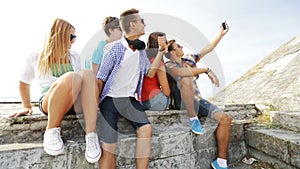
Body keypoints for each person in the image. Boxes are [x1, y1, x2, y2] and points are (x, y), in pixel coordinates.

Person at [11, 18, 101, 163]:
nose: (74, 41)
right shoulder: (37, 57)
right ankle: (52, 130)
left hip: (73, 102)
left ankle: (91, 135)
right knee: (72, 77)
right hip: (50, 100)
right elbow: (24, 82)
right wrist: (27, 106)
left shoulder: (75, 57)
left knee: (87, 74)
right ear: (60, 36)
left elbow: (84, 84)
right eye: (72, 37)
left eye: (75, 37)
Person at [96, 8, 166, 169]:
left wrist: (161, 51)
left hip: (130, 100)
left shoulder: (141, 51)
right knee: (109, 147)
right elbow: (100, 79)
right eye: (142, 21)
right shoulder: (114, 49)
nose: (145, 24)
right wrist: (95, 107)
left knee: (146, 129)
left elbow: (150, 73)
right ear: (133, 25)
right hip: (110, 100)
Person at [165, 23, 232, 169]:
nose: (182, 47)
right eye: (178, 46)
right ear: (172, 52)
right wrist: (206, 70)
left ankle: (221, 162)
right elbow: (182, 74)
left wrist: (220, 34)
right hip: (180, 101)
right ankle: (193, 118)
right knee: (186, 77)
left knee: (226, 119)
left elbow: (206, 49)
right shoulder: (169, 65)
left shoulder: (189, 60)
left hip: (197, 100)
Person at [141, 32, 170, 111]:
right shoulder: (159, 64)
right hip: (155, 101)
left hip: (141, 102)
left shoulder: (144, 60)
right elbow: (166, 91)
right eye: (166, 42)